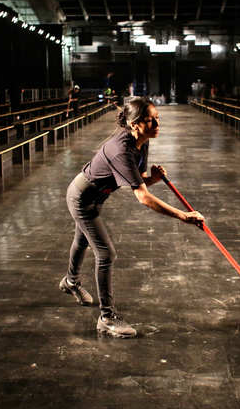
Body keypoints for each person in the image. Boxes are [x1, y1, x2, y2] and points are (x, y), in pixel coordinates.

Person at [60, 97, 204, 338]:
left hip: (96, 197)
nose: (157, 124)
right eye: (151, 120)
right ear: (135, 124)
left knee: (83, 239)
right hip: (81, 198)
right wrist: (183, 216)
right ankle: (106, 318)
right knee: (105, 253)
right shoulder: (121, 150)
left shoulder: (142, 142)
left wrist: (153, 179)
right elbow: (143, 197)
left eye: (158, 118)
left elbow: (139, 179)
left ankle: (70, 281)